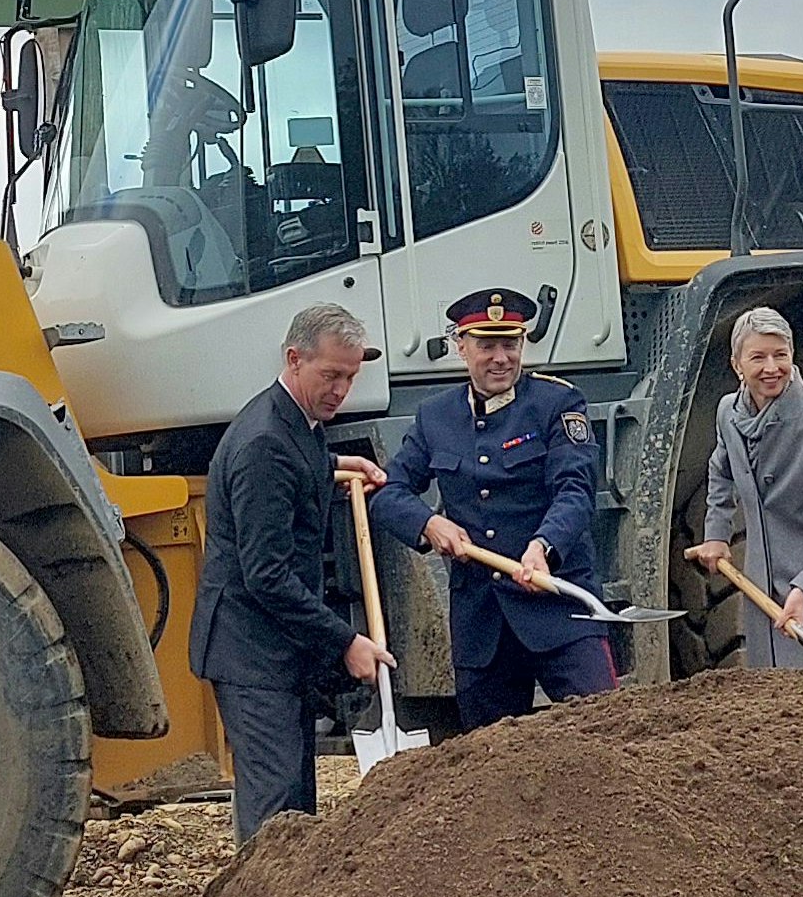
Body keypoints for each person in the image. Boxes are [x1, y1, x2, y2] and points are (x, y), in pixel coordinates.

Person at [194, 304, 395, 844]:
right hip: (250, 654)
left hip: (275, 652)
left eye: (351, 377)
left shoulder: (297, 424)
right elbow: (267, 576)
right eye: (331, 375)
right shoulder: (264, 442)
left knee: (298, 808)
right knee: (275, 812)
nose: (341, 390)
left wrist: (336, 468)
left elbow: (292, 470)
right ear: (294, 358)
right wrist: (345, 640)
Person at [369, 286, 613, 727]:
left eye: (510, 344)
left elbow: (575, 490)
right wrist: (428, 524)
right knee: (488, 764)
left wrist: (544, 547)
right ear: (461, 348)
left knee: (607, 731)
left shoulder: (557, 404)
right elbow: (388, 493)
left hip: (561, 610)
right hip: (483, 626)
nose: (501, 357)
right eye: (486, 346)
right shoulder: (435, 416)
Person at [685, 307, 803, 666]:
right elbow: (720, 470)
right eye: (758, 357)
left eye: (781, 355)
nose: (772, 368)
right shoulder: (728, 412)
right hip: (765, 606)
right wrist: (716, 533)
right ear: (736, 365)